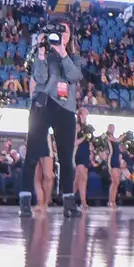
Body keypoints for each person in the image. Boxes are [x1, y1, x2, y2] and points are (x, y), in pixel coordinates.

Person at [22, 25, 83, 216]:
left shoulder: (73, 57)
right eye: (58, 31)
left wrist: (62, 52)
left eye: (66, 31)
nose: (62, 35)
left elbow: (74, 76)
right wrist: (41, 53)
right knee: (32, 153)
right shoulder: (43, 54)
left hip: (65, 108)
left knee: (66, 158)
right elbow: (39, 77)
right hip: (43, 105)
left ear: (70, 36)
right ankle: (24, 203)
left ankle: (69, 204)